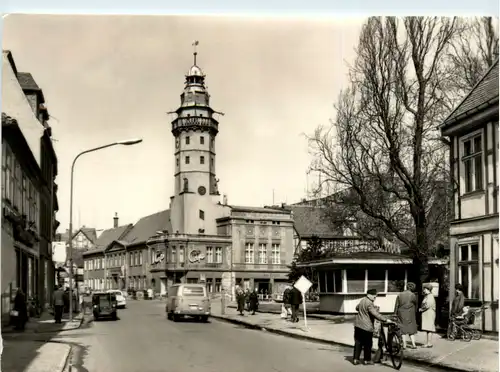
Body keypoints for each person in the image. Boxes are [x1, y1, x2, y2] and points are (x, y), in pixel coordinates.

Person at [353, 289, 392, 366]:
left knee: (358, 343)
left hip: (358, 326)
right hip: (366, 327)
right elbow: (375, 314)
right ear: (369, 295)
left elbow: (357, 308)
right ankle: (367, 360)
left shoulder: (362, 300)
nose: (375, 297)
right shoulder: (369, 303)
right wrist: (385, 319)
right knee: (368, 344)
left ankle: (355, 359)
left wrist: (362, 309)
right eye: (374, 295)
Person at [395, 282, 418, 349]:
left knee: (403, 329)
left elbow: (397, 305)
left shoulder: (400, 294)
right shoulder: (413, 295)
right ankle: (414, 344)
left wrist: (396, 313)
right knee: (411, 329)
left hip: (401, 313)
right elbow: (415, 304)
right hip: (410, 313)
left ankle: (404, 344)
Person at [419, 283, 436, 348]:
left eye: (425, 289)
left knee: (429, 329)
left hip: (429, 314)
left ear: (428, 289)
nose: (424, 290)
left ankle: (429, 343)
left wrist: (421, 309)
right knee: (428, 329)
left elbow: (428, 305)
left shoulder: (430, 296)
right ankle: (428, 343)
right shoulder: (427, 296)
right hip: (427, 314)